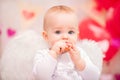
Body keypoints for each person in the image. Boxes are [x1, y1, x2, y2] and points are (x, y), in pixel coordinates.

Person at [33, 5, 101, 80]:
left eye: (71, 32)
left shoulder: (79, 54)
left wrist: (79, 62)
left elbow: (94, 77)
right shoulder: (43, 55)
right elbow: (40, 77)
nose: (65, 36)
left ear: (77, 35)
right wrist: (53, 54)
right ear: (46, 36)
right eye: (58, 32)